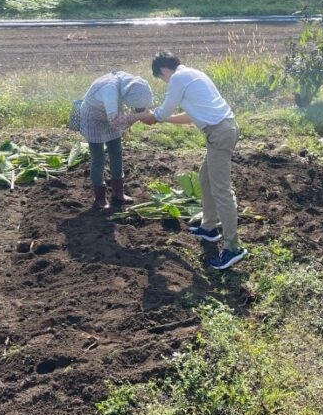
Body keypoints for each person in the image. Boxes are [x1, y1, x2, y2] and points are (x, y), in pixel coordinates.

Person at [135, 52, 246, 270]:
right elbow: (188, 117)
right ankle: (209, 228)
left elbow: (164, 110)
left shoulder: (177, 78)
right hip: (221, 130)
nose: (165, 82)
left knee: (221, 190)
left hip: (220, 133)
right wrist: (162, 118)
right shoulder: (193, 75)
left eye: (162, 78)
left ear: (164, 71)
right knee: (205, 179)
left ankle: (233, 247)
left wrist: (152, 116)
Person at [76, 71, 154, 210]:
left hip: (113, 116)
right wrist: (138, 116)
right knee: (98, 158)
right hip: (93, 119)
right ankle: (99, 197)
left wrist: (140, 114)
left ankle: (118, 192)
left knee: (116, 153)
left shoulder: (129, 85)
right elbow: (116, 122)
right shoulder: (109, 89)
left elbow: (119, 117)